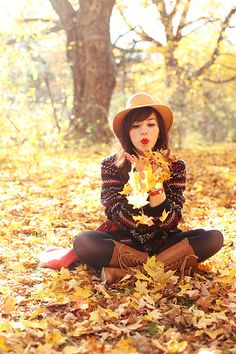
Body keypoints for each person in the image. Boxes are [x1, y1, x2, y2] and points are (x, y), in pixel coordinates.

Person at [38, 93, 224, 284]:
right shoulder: (111, 165)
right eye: (136, 126)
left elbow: (171, 222)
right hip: (125, 243)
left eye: (151, 124)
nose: (144, 132)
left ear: (160, 129)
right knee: (84, 243)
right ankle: (162, 267)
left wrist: (155, 187)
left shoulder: (175, 166)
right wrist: (140, 184)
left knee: (212, 238)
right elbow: (115, 214)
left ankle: (127, 273)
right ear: (126, 131)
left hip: (165, 243)